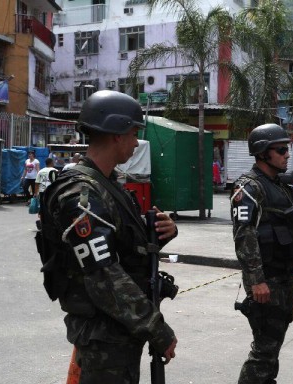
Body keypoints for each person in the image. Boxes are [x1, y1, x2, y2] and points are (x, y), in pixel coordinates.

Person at [38, 90, 178, 383]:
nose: (136, 141)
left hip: (120, 329)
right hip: (104, 335)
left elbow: (125, 246)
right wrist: (155, 328)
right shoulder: (80, 194)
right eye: (133, 133)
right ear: (117, 134)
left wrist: (162, 233)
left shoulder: (108, 185)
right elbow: (103, 274)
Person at [230, 123, 293, 384]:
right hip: (265, 281)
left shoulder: (280, 187)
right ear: (262, 153)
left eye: (286, 148)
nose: (286, 154)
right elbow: (244, 237)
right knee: (264, 351)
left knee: (272, 347)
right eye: (280, 150)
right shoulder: (249, 188)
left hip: (283, 278)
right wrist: (256, 280)